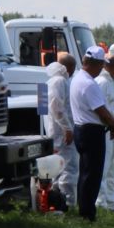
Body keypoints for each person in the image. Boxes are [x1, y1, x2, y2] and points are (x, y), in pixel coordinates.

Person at [69, 46, 114, 222]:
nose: (102, 69)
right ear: (94, 63)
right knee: (93, 174)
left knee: (86, 172)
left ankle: (84, 208)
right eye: (100, 65)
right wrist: (113, 123)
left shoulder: (78, 79)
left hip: (81, 129)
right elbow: (102, 111)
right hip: (91, 131)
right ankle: (87, 212)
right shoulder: (90, 84)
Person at [46, 54, 77, 209]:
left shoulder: (55, 80)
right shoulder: (59, 81)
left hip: (58, 131)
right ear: (68, 68)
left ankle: (58, 200)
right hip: (62, 132)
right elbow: (57, 108)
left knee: (59, 166)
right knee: (68, 166)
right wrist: (67, 128)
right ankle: (68, 202)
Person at [97, 53, 114, 213]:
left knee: (111, 166)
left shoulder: (111, 82)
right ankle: (101, 201)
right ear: (112, 66)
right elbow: (100, 108)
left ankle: (110, 201)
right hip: (107, 132)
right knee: (104, 165)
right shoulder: (102, 82)